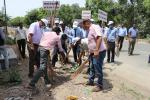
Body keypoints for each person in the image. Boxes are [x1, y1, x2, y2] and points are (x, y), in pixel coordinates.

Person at [82, 19, 106, 92]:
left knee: (98, 68)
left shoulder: (95, 27)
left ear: (87, 23)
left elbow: (99, 37)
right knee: (92, 67)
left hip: (99, 52)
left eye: (83, 25)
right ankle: (91, 81)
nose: (83, 27)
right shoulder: (89, 30)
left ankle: (100, 85)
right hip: (93, 53)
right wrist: (91, 52)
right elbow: (92, 42)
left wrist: (96, 50)